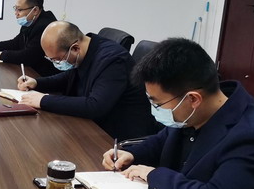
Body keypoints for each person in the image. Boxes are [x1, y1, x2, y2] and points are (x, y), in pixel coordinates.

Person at [102, 37, 254, 189]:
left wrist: (153, 174)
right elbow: (163, 139)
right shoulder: (196, 112)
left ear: (193, 99)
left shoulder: (250, 135)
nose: (154, 109)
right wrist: (132, 154)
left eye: (158, 103)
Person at [17, 21, 158, 139]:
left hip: (115, 135)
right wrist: (37, 83)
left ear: (75, 48)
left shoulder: (113, 60)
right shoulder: (87, 49)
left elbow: (95, 106)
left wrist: (43, 100)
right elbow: (70, 76)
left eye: (57, 59)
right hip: (95, 125)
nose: (56, 63)